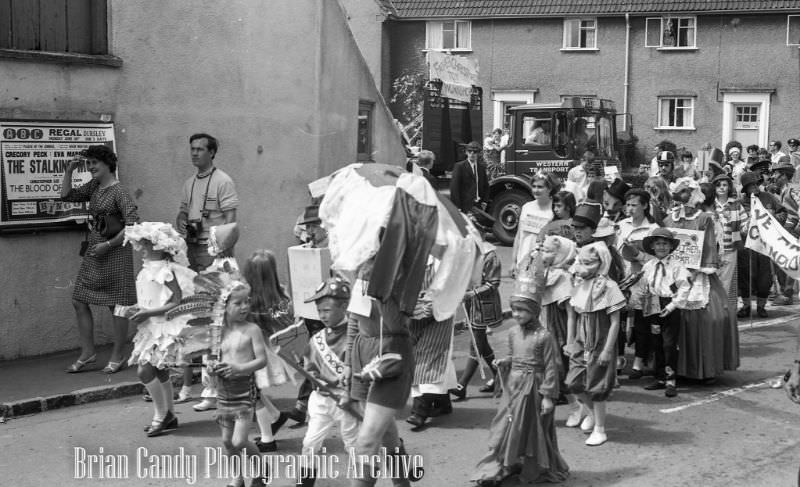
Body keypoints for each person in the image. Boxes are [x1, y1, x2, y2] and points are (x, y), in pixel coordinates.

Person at [472, 278, 569, 486]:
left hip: (533, 389)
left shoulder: (545, 336)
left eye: (522, 310)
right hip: (513, 388)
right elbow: (512, 355)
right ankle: (504, 464)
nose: (516, 315)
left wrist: (548, 398)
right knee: (506, 426)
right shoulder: (512, 332)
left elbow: (552, 368)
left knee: (530, 429)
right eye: (514, 310)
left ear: (534, 311)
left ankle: (529, 466)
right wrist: (504, 363)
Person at [60, 145, 139, 374]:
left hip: (114, 249)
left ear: (107, 164)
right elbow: (67, 196)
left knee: (117, 305)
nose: (91, 167)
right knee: (79, 300)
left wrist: (109, 244)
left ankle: (118, 355)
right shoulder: (95, 186)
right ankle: (88, 353)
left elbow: (133, 224)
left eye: (95, 163)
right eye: (89, 163)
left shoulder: (119, 191)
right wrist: (69, 171)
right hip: (96, 248)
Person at [176, 133, 239, 410]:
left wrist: (219, 254)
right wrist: (181, 224)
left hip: (213, 254)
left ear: (212, 152)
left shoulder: (223, 180)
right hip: (191, 249)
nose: (195, 153)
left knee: (215, 317)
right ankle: (201, 385)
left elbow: (231, 223)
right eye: (192, 149)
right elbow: (182, 213)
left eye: (200, 149)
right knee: (196, 316)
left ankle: (213, 389)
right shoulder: (189, 183)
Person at [124, 222, 196, 436]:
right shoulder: (147, 270)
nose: (142, 248)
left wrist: (148, 313)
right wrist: (138, 309)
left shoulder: (166, 270)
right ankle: (170, 415)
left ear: (159, 247)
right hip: (150, 327)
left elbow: (176, 301)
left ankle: (160, 415)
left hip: (162, 328)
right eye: (142, 243)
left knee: (144, 370)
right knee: (159, 370)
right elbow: (150, 298)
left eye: (146, 244)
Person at [665, 178, 730, 380]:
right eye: (678, 192)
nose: (680, 196)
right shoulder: (670, 218)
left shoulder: (704, 218)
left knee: (706, 318)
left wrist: (696, 270)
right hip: (675, 271)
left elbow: (709, 246)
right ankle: (672, 367)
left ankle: (700, 368)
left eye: (684, 192)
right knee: (673, 319)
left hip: (698, 272)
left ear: (693, 194)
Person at [298, 277, 360, 487]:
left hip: (346, 399)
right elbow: (309, 367)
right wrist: (311, 376)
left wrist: (350, 394)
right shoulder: (317, 338)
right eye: (319, 310)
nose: (322, 315)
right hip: (321, 399)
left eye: (327, 310)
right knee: (310, 442)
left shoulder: (356, 338)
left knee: (353, 444)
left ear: (344, 306)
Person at [564, 242, 626, 446]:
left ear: (601, 262)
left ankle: (600, 428)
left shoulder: (609, 287)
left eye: (588, 263)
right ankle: (591, 412)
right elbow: (572, 315)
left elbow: (616, 322)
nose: (582, 267)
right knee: (573, 382)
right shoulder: (578, 284)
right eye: (581, 262)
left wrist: (608, 350)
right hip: (582, 340)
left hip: (601, 340)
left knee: (598, 386)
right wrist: (570, 341)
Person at [211, 281, 269, 487]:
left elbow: (262, 360)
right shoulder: (217, 332)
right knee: (227, 441)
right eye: (238, 303)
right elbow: (211, 358)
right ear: (224, 306)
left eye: (247, 301)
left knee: (239, 441)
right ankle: (237, 478)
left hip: (244, 392)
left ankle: (262, 470)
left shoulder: (252, 329)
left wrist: (239, 368)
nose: (245, 307)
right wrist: (211, 369)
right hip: (223, 393)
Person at [242, 250, 295, 452]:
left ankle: (267, 439)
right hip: (267, 351)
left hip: (257, 353)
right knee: (254, 392)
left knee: (251, 395)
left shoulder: (251, 300)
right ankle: (276, 417)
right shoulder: (281, 295)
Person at [628, 228, 691, 397]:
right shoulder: (649, 266)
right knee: (656, 342)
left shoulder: (677, 266)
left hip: (669, 306)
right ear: (653, 247)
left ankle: (671, 380)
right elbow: (644, 285)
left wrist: (672, 306)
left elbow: (685, 287)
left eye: (665, 244)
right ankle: (660, 377)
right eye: (658, 244)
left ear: (671, 247)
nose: (661, 247)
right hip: (653, 305)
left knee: (669, 344)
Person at [406, 257, 457, 430]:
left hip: (440, 314)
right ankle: (443, 403)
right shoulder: (409, 253)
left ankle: (419, 412)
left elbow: (454, 287)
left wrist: (435, 303)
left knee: (428, 358)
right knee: (422, 358)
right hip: (413, 314)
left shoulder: (445, 258)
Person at [450, 240, 502, 401]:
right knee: (482, 343)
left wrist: (472, 293)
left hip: (483, 305)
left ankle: (462, 384)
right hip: (470, 304)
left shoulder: (490, 255)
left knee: (476, 344)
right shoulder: (467, 250)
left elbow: (493, 283)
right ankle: (500, 376)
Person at [616, 189, 659, 379]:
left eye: (634, 205)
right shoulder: (620, 225)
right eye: (628, 204)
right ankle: (619, 359)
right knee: (619, 323)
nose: (630, 208)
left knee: (642, 324)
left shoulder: (653, 228)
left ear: (644, 206)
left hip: (643, 281)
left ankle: (638, 363)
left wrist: (638, 255)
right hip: (622, 281)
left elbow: (657, 257)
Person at [535, 236, 578, 417]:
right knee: (547, 365)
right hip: (545, 324)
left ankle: (577, 406)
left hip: (558, 328)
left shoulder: (563, 277)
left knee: (562, 368)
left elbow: (571, 314)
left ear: (560, 253)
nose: (543, 253)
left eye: (549, 251)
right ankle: (552, 398)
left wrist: (569, 341)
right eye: (542, 249)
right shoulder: (544, 273)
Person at [738, 171, 789, 318]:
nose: (754, 187)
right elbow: (737, 224)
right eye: (750, 185)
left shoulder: (769, 198)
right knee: (746, 276)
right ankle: (746, 306)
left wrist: (771, 218)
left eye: (756, 184)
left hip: (766, 246)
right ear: (745, 188)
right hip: (747, 246)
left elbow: (783, 213)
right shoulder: (740, 203)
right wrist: (745, 225)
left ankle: (761, 306)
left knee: (764, 278)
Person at [512, 172, 558, 272]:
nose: (536, 190)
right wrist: (513, 262)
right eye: (534, 186)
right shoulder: (526, 207)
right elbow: (519, 236)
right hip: (523, 262)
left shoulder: (555, 210)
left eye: (540, 187)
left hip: (544, 265)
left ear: (550, 188)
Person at [769, 158, 800, 305]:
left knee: (790, 262)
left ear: (784, 176)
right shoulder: (780, 191)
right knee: (781, 261)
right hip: (784, 230)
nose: (773, 177)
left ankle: (787, 294)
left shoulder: (793, 189)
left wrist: (796, 229)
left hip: (792, 230)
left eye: (776, 174)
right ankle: (783, 292)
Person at [450, 141, 489, 214]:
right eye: (469, 151)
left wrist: (485, 202)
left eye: (475, 152)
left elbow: (486, 186)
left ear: (478, 153)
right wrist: (457, 207)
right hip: (464, 205)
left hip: (478, 205)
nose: (472, 154)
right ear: (466, 152)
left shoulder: (481, 168)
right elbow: (454, 188)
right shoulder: (459, 166)